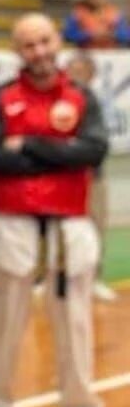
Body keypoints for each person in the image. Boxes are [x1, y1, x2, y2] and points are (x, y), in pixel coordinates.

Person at [0, 13, 111, 407]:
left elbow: (93, 149)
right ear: (18, 50)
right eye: (29, 45)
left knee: (75, 324)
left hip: (70, 222)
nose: (40, 52)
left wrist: (29, 144)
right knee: (4, 321)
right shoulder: (1, 97)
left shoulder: (81, 95)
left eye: (45, 41)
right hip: (13, 220)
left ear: (57, 41)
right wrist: (59, 152)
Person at [64, 51, 118, 303]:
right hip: (62, 176)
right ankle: (48, 278)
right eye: (71, 69)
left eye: (81, 69)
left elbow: (98, 142)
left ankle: (95, 277)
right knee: (55, 230)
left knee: (95, 226)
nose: (76, 74)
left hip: (92, 176)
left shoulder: (97, 102)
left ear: (91, 73)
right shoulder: (58, 99)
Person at [62, 0, 130, 48]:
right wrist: (90, 35)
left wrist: (111, 34)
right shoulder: (78, 13)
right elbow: (68, 35)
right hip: (86, 54)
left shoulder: (114, 13)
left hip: (111, 53)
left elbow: (126, 35)